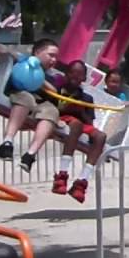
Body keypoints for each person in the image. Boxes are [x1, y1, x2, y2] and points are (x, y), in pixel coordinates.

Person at [0, 39, 62, 172]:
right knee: (26, 98)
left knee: (51, 112)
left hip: (39, 105)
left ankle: (30, 155)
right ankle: (7, 142)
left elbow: (55, 92)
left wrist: (39, 80)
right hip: (20, 97)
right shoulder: (22, 63)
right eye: (51, 55)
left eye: (56, 57)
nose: (54, 60)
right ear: (37, 52)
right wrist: (12, 54)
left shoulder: (52, 76)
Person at [51, 61, 107, 203]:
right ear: (66, 74)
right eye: (72, 73)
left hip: (80, 122)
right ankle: (62, 175)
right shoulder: (56, 90)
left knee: (100, 136)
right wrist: (67, 108)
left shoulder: (87, 98)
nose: (75, 77)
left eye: (79, 74)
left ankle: (82, 182)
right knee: (76, 125)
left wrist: (81, 110)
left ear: (84, 78)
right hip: (62, 118)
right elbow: (51, 109)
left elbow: (89, 122)